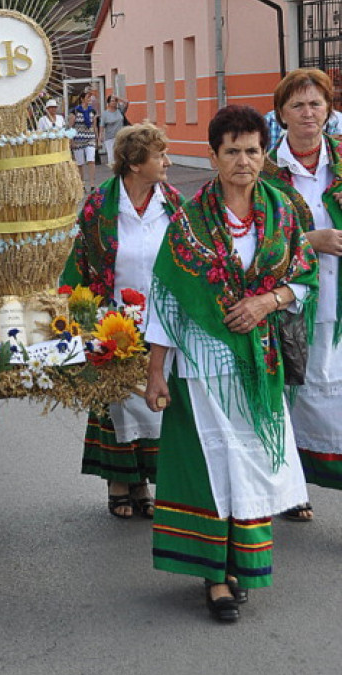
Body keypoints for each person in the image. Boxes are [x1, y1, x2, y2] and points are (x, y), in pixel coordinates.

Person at [144, 105, 317, 623]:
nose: (243, 161)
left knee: (254, 464)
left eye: (252, 150)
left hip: (259, 365)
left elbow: (304, 280)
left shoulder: (283, 212)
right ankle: (214, 576)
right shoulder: (188, 220)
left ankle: (244, 563)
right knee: (213, 467)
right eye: (232, 151)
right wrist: (155, 372)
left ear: (265, 155)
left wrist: (265, 302)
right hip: (202, 367)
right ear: (214, 157)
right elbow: (166, 299)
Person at [61, 123, 182, 518]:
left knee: (155, 406)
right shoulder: (100, 206)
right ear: (133, 164)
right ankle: (119, 482)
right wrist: (77, 316)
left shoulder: (175, 204)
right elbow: (81, 260)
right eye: (159, 155)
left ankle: (144, 481)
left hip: (165, 321)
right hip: (113, 321)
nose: (168, 161)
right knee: (118, 404)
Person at [262, 69, 342, 520]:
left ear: (329, 110)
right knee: (293, 393)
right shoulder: (267, 170)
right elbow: (256, 236)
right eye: (298, 105)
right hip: (292, 304)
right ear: (281, 115)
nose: (308, 113)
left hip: (341, 301)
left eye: (316, 104)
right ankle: (292, 487)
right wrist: (313, 240)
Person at [69, 91, 101, 191]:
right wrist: (71, 141)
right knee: (80, 163)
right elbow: (70, 127)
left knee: (91, 160)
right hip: (78, 139)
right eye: (88, 97)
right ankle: (82, 184)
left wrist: (97, 139)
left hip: (90, 138)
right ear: (82, 99)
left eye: (90, 98)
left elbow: (94, 126)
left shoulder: (93, 112)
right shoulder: (75, 111)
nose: (90, 100)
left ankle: (92, 183)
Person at [100, 95, 129, 167]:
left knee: (121, 156)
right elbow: (102, 126)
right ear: (108, 103)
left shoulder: (120, 110)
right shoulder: (105, 114)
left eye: (115, 101)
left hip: (120, 137)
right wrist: (101, 135)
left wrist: (117, 98)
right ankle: (114, 173)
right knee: (111, 158)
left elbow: (126, 102)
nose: (114, 103)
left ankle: (121, 172)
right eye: (112, 101)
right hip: (110, 138)